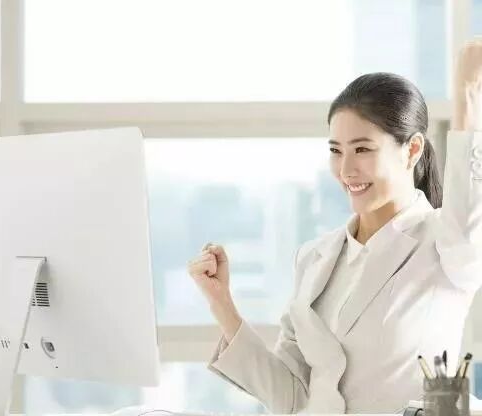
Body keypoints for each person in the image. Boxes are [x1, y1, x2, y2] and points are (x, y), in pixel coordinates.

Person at [187, 38, 482, 414]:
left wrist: (467, 94)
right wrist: (222, 304)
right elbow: (291, 396)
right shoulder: (314, 258)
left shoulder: (444, 241)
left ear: (411, 150)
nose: (346, 170)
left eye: (362, 149)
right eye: (335, 150)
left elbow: (468, 220)